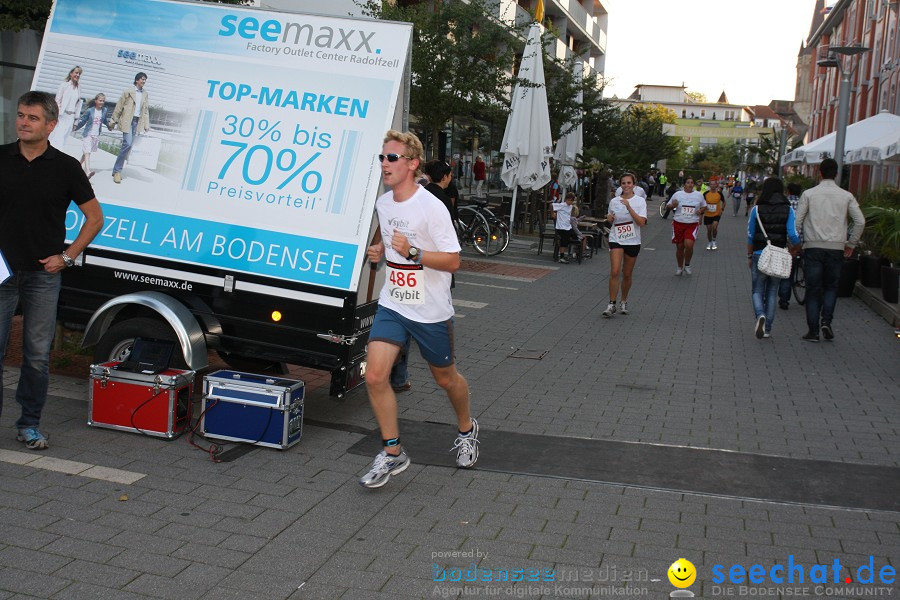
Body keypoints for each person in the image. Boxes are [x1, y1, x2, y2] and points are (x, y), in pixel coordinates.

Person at [359, 130, 478, 488]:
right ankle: (393, 452)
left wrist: (415, 253)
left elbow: (454, 261)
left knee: (446, 379)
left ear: (412, 164)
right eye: (382, 157)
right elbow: (385, 236)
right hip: (394, 302)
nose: (384, 164)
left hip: (430, 310)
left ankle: (467, 429)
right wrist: (378, 251)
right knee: (375, 375)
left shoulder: (432, 207)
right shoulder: (385, 203)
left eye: (391, 158)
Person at [0, 91, 103, 449]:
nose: (23, 123)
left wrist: (68, 256)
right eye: (21, 116)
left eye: (31, 118)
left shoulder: (65, 167)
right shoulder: (1, 158)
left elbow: (94, 218)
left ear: (51, 125)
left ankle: (28, 424)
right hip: (1, 275)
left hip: (43, 276)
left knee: (37, 356)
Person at [795, 158, 865, 342]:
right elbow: (860, 221)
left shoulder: (809, 194)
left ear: (819, 172)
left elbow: (797, 221)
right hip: (836, 248)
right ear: (836, 174)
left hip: (813, 247)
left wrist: (795, 243)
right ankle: (826, 321)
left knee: (812, 289)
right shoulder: (846, 195)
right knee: (831, 287)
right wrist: (851, 243)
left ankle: (813, 331)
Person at [746, 177, 801, 339]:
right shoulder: (788, 209)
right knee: (772, 291)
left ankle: (760, 314)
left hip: (758, 253)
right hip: (778, 254)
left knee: (757, 289)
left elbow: (750, 235)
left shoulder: (756, 209)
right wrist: (796, 248)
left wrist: (750, 255)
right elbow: (792, 233)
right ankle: (767, 328)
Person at [602, 173, 647, 318]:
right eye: (623, 183)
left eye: (629, 183)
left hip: (633, 240)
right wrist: (609, 218)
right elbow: (610, 219)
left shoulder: (640, 201)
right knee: (615, 271)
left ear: (634, 184)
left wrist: (629, 208)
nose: (626, 185)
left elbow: (641, 222)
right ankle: (611, 304)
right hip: (616, 238)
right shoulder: (614, 201)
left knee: (627, 274)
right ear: (620, 184)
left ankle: (624, 300)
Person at [110, 72, 150, 184]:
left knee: (129, 146)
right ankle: (117, 171)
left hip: (137, 122)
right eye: (142, 79)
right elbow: (119, 106)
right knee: (127, 144)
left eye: (145, 80)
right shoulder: (128, 91)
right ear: (137, 80)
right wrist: (113, 121)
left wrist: (146, 125)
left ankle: (116, 169)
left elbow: (145, 110)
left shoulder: (145, 94)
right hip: (127, 121)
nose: (144, 81)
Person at [666, 176, 706, 276]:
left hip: (692, 223)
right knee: (679, 247)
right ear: (684, 184)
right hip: (678, 222)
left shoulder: (698, 195)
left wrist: (701, 211)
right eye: (688, 182)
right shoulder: (677, 194)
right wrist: (673, 205)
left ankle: (687, 265)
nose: (690, 184)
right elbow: (668, 206)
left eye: (692, 182)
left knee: (689, 245)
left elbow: (705, 206)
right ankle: (679, 267)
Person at [73, 93, 111, 179]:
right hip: (88, 134)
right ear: (96, 101)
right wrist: (75, 127)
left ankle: (77, 166)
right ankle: (87, 171)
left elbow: (104, 120)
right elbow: (83, 121)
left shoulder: (104, 110)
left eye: (103, 101)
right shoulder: (90, 110)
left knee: (86, 152)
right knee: (87, 152)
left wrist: (109, 126)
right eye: (100, 100)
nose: (102, 102)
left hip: (96, 134)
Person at [778, 182, 803, 309]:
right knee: (793, 270)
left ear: (788, 190)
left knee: (786, 271)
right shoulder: (804, 204)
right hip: (801, 241)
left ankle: (783, 299)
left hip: (786, 241)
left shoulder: (784, 203)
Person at [48, 66, 83, 150]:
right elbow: (57, 100)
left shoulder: (79, 88)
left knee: (63, 139)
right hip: (62, 115)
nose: (77, 75)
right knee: (57, 138)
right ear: (71, 74)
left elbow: (78, 104)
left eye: (79, 73)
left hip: (71, 117)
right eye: (76, 73)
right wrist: (56, 114)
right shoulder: (64, 85)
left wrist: (76, 121)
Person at [550, 190, 577, 263]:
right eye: (568, 200)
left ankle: (575, 253)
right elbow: (551, 205)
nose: (569, 202)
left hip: (568, 226)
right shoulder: (562, 205)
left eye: (571, 200)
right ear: (566, 200)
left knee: (577, 237)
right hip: (561, 227)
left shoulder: (571, 206)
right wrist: (553, 214)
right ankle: (561, 257)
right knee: (564, 240)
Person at [703, 180, 725, 250]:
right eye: (711, 184)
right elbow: (701, 202)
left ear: (716, 185)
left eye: (714, 184)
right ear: (709, 186)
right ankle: (709, 242)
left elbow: (724, 202)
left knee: (714, 228)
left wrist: (722, 209)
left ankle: (714, 240)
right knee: (709, 230)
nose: (713, 186)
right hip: (707, 214)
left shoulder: (719, 193)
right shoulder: (706, 193)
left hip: (716, 214)